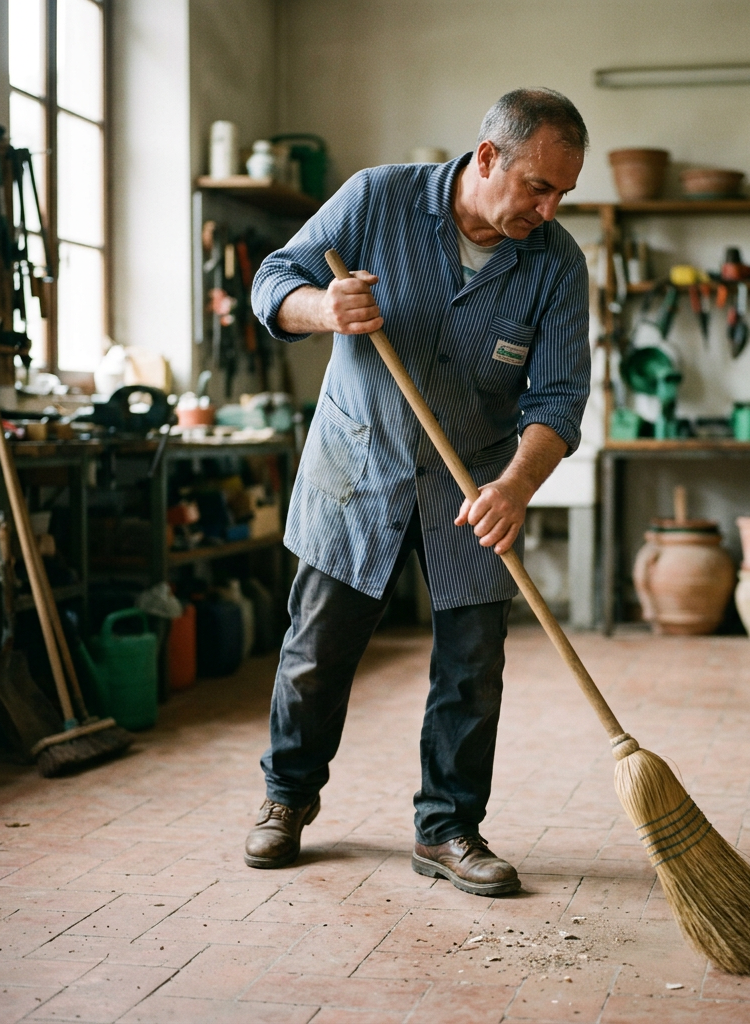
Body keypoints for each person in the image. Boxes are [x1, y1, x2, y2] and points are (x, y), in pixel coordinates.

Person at [245, 88, 591, 896]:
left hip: (473, 483)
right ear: (486, 158)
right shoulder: (378, 199)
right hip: (357, 465)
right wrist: (320, 308)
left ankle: (448, 830)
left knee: (473, 666)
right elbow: (274, 280)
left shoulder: (555, 265)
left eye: (563, 194)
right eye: (537, 186)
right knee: (316, 653)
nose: (548, 208)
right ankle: (286, 798)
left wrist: (515, 486)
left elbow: (559, 399)